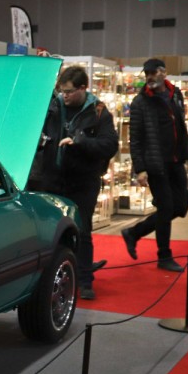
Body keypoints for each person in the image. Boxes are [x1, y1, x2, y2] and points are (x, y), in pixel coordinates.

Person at [29, 66, 118, 300]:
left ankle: (85, 280)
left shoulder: (98, 112)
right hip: (51, 179)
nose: (64, 95)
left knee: (83, 230)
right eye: (61, 91)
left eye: (68, 91)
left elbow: (110, 145)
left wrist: (80, 141)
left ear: (82, 88)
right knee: (51, 232)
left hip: (83, 181)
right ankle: (49, 277)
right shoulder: (52, 107)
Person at [120, 58, 188, 272]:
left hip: (176, 159)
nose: (149, 77)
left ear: (164, 72)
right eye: (147, 74)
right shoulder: (140, 102)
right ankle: (164, 256)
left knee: (181, 204)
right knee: (166, 207)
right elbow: (135, 138)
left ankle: (134, 233)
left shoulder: (175, 94)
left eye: (153, 73)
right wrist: (140, 168)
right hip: (155, 163)